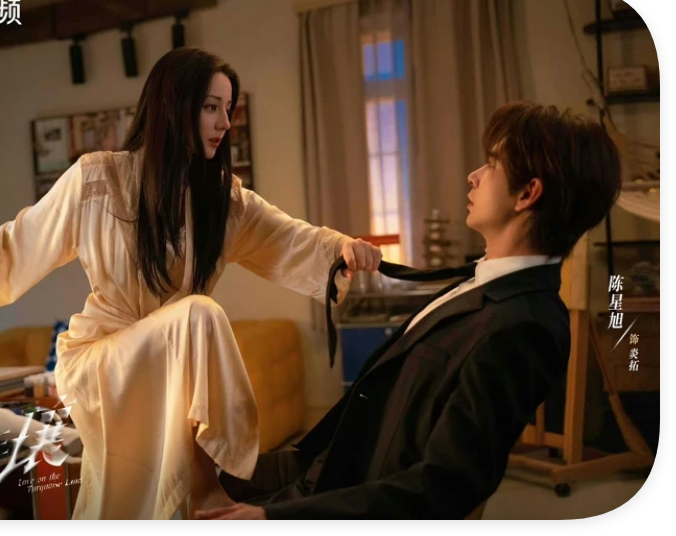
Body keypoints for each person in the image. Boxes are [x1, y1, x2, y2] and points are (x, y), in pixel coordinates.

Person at [0, 47, 383, 520]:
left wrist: (342, 246)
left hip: (169, 356)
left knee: (191, 322)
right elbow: (10, 242)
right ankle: (207, 488)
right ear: (172, 106)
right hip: (100, 358)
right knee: (199, 312)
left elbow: (290, 236)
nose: (225, 122)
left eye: (229, 108)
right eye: (210, 107)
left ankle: (194, 493)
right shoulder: (97, 179)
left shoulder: (222, 199)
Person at [196, 101, 623, 520]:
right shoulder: (485, 285)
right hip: (321, 470)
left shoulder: (524, 325)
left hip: (344, 499)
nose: (474, 175)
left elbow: (444, 486)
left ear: (528, 193)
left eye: (492, 164)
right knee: (178, 473)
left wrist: (269, 517)